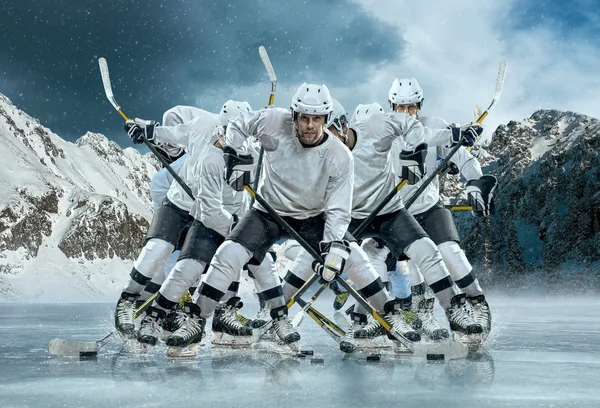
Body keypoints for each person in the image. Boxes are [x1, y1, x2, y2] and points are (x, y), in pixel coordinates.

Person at [178, 83, 417, 354]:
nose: (310, 126)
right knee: (228, 254)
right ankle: (195, 319)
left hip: (312, 217)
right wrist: (237, 153)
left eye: (316, 119)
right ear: (294, 116)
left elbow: (339, 209)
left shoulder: (340, 156)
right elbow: (238, 124)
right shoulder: (272, 122)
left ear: (326, 120)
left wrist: (333, 247)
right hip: (268, 212)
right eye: (304, 117)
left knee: (354, 257)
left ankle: (389, 313)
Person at [282, 93, 484, 349]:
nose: (326, 140)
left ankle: (453, 310)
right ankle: (282, 311)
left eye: (330, 130)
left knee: (426, 250)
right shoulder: (320, 153)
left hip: (389, 210)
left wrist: (453, 137)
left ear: (344, 125)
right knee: (347, 258)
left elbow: (420, 132)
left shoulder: (375, 129)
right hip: (353, 216)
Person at [125, 101, 286, 351]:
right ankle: (153, 314)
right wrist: (150, 132)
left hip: (219, 212)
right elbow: (176, 135)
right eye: (225, 136)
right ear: (219, 130)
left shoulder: (251, 153)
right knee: (176, 259)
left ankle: (225, 315)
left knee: (237, 255)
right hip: (189, 208)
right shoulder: (207, 152)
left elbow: (245, 196)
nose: (227, 142)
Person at [388, 77, 495, 340]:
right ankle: (423, 312)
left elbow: (465, 159)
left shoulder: (435, 127)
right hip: (398, 211)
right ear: (391, 107)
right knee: (411, 265)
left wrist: (475, 183)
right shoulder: (384, 136)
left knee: (450, 251)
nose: (405, 114)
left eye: (411, 107)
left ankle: (477, 303)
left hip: (430, 206)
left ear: (419, 106)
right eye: (400, 108)